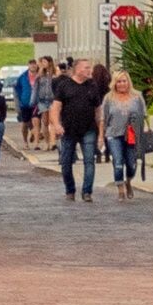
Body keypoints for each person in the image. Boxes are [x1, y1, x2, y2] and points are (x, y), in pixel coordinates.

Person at [52, 56, 112, 200]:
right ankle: (70, 190)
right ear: (77, 69)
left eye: (89, 67)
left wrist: (101, 133)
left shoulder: (92, 86)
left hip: (89, 129)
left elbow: (98, 111)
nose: (89, 70)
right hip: (69, 130)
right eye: (86, 68)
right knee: (66, 162)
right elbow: (55, 108)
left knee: (89, 161)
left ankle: (87, 192)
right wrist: (56, 124)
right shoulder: (64, 85)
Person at [101, 71, 149, 200]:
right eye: (119, 81)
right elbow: (102, 118)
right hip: (114, 134)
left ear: (129, 82)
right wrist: (101, 136)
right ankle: (120, 189)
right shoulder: (108, 98)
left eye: (124, 81)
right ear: (114, 83)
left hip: (132, 135)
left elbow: (144, 115)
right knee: (117, 162)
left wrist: (142, 130)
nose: (122, 84)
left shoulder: (137, 97)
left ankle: (128, 181)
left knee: (131, 164)